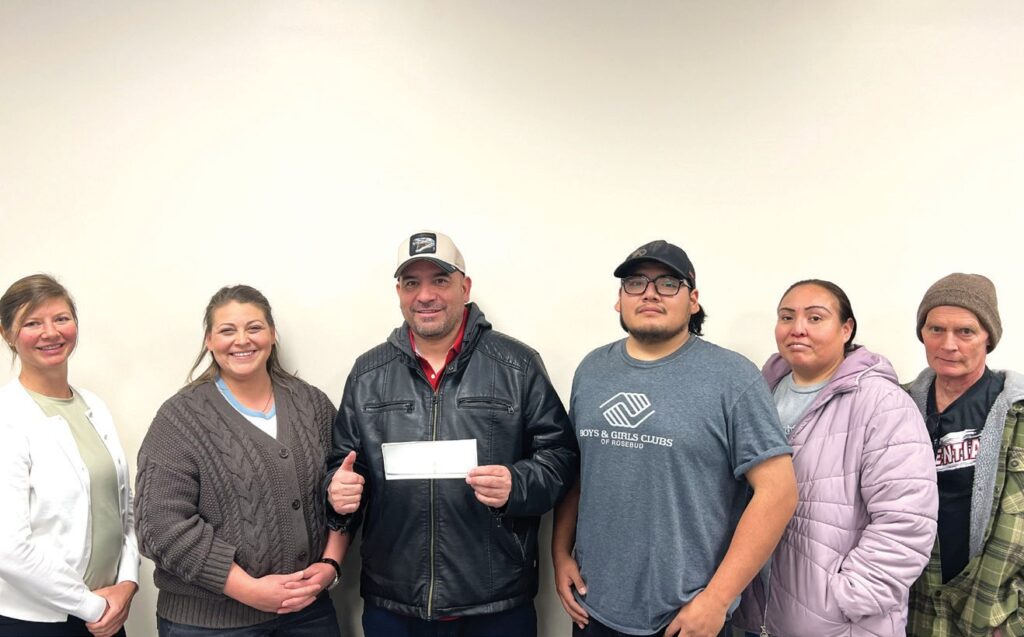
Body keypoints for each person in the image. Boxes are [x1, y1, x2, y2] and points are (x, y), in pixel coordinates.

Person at [326, 231, 578, 637]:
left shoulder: (517, 365)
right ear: (399, 292)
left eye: (440, 280)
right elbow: (342, 466)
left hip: (496, 603)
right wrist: (337, 492)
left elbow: (561, 457)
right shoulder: (368, 373)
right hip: (395, 603)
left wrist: (518, 483)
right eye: (412, 282)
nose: (425, 295)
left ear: (466, 287)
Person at [552, 240, 798, 637]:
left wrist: (717, 599)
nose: (649, 293)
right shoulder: (592, 370)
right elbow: (580, 472)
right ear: (619, 300)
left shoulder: (732, 376)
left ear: (693, 300)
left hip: (686, 619)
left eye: (668, 283)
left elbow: (778, 492)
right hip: (593, 608)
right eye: (635, 283)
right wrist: (560, 552)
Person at [134, 285, 344, 636]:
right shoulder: (179, 418)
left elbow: (343, 492)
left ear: (272, 334)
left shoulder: (312, 404)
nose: (242, 340)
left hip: (307, 613)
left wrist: (331, 564)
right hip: (209, 623)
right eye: (227, 330)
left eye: (254, 328)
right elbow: (159, 526)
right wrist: (247, 589)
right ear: (209, 340)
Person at [732, 279, 937, 636]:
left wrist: (847, 598)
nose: (798, 328)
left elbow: (907, 521)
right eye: (786, 317)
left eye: (815, 318)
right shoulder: (758, 396)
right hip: (756, 618)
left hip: (837, 625)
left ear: (846, 329)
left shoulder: (882, 404)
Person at [0, 274, 140, 637]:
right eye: (32, 323)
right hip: (37, 624)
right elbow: (8, 548)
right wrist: (90, 606)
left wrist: (127, 583)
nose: (51, 332)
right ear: (7, 333)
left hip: (108, 614)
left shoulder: (94, 406)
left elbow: (123, 508)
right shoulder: (7, 417)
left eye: (61, 318)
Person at [905, 273, 1024, 637]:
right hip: (912, 607)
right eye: (936, 329)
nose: (948, 344)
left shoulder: (1016, 415)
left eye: (965, 332)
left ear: (989, 337)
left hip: (990, 610)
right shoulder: (896, 407)